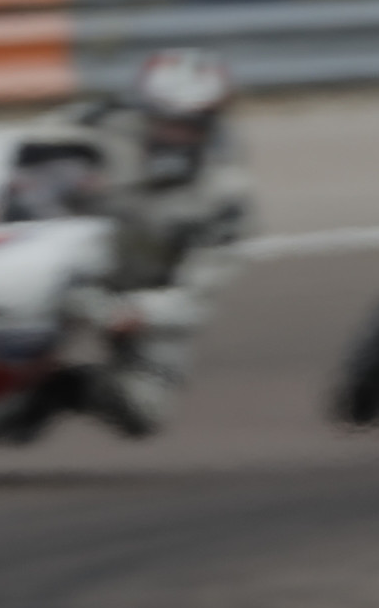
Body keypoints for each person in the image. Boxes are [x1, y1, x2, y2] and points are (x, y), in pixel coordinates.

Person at [22, 48, 253, 438]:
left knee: (144, 410)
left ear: (211, 123)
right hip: (55, 261)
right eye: (163, 119)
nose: (173, 133)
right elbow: (14, 147)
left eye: (189, 124)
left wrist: (139, 312)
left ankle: (60, 389)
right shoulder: (94, 125)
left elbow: (198, 296)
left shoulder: (225, 193)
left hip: (134, 297)